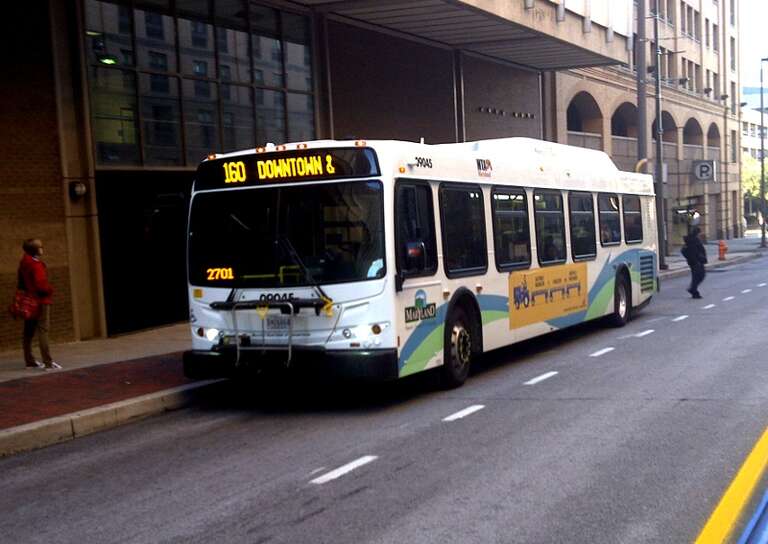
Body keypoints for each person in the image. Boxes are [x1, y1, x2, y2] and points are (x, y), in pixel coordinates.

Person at [18, 239, 61, 370]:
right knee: (43, 331)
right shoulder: (36, 265)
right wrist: (50, 290)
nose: (42, 249)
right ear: (36, 250)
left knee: (28, 331)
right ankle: (48, 362)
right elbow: (41, 285)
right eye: (40, 247)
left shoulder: (24, 262)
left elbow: (21, 281)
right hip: (41, 301)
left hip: (28, 301)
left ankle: (29, 360)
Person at [682, 227, 707, 299]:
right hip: (697, 262)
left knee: (696, 277)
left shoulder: (692, 239)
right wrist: (697, 260)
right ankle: (693, 290)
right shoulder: (694, 240)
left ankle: (694, 291)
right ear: (698, 233)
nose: (701, 234)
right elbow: (695, 252)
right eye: (700, 233)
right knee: (700, 276)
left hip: (694, 261)